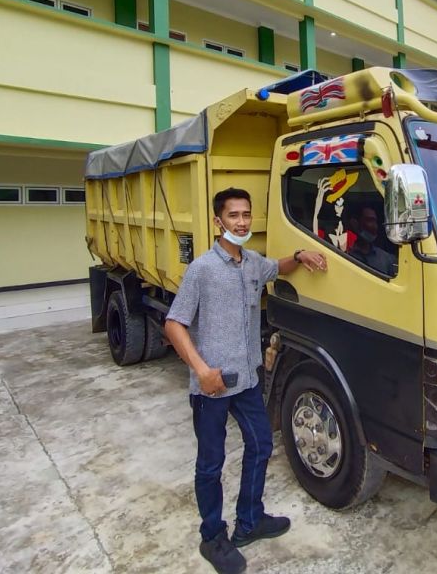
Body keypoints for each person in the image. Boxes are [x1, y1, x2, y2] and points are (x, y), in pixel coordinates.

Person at [163, 187, 328, 574]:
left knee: (261, 444)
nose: (241, 222)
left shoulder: (252, 263)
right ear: (218, 222)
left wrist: (301, 256)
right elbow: (174, 323)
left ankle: (250, 521)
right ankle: (213, 536)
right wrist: (202, 371)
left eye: (246, 215)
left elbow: (278, 266)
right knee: (211, 463)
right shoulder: (203, 269)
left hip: (248, 380)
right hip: (213, 386)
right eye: (233, 215)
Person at [348, 205, 396, 275]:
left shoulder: (386, 259)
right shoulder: (343, 254)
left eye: (375, 221)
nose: (374, 226)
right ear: (355, 223)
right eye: (369, 220)